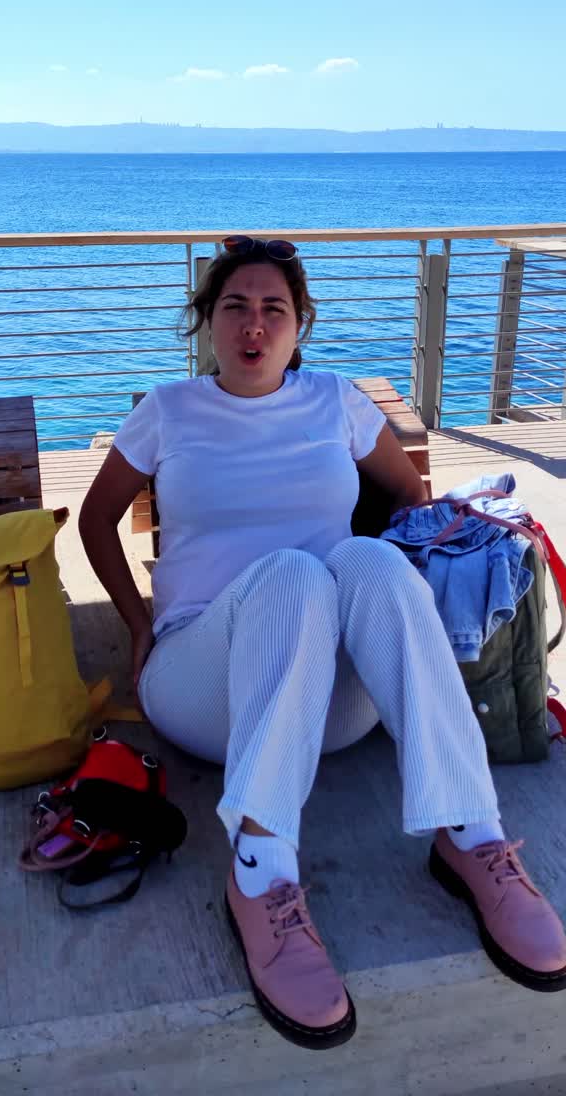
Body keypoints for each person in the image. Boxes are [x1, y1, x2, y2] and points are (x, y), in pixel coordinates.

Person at [79, 236, 566, 1050]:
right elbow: (96, 520)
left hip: (334, 702)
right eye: (235, 307)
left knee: (372, 559)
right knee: (293, 576)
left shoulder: (336, 400)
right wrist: (137, 624)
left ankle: (472, 834)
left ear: (301, 324)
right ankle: (261, 873)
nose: (254, 326)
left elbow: (409, 500)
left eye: (274, 309)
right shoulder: (168, 410)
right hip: (203, 681)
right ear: (207, 321)